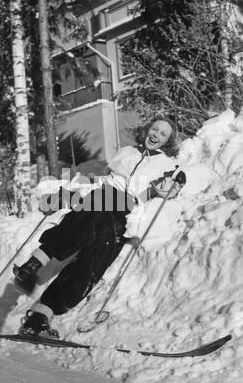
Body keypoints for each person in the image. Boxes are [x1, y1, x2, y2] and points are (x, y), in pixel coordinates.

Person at [14, 116, 185, 339]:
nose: (156, 135)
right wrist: (70, 192)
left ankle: (39, 317)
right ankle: (36, 261)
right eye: (155, 128)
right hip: (103, 197)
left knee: (91, 265)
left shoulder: (166, 165)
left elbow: (168, 188)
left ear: (168, 140)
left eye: (163, 134)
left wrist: (178, 182)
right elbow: (101, 179)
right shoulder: (126, 152)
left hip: (123, 214)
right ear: (147, 129)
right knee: (84, 219)